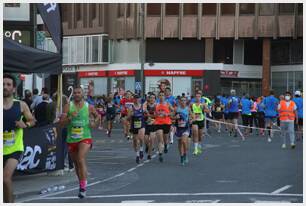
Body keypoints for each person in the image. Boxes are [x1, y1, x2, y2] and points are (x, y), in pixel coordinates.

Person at [59, 85, 100, 199]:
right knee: (76, 163)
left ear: (83, 94)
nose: (76, 94)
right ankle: (81, 183)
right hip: (71, 138)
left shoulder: (89, 107)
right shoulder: (68, 106)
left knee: (81, 158)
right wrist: (70, 118)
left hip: (85, 137)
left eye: (79, 93)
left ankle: (83, 187)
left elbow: (98, 117)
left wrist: (94, 123)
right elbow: (61, 123)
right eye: (75, 93)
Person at [3, 74, 35, 203]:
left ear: (14, 89)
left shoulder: (21, 105)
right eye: (3, 84)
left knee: (5, 178)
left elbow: (32, 121)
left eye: (8, 84)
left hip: (15, 148)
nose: (4, 87)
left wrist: (25, 124)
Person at [154, 91, 174, 162]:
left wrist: (167, 114)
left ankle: (165, 146)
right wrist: (156, 114)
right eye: (160, 95)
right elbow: (153, 113)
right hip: (158, 123)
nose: (161, 97)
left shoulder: (168, 104)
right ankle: (160, 154)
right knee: (160, 139)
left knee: (165, 139)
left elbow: (173, 111)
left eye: (163, 95)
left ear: (165, 97)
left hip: (166, 123)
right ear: (158, 96)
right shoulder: (156, 104)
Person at [128, 95, 146, 164]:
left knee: (141, 138)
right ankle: (137, 154)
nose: (136, 100)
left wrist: (149, 118)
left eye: (137, 98)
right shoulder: (131, 108)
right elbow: (128, 118)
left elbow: (147, 114)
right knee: (135, 141)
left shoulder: (142, 107)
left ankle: (141, 149)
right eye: (135, 99)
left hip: (142, 124)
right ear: (133, 100)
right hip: (134, 125)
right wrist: (131, 115)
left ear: (140, 99)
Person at [173, 96, 190, 166]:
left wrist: (192, 119)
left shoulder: (188, 109)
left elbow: (193, 116)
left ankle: (185, 153)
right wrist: (175, 117)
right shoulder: (177, 109)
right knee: (180, 144)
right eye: (182, 100)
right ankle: (182, 156)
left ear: (186, 101)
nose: (183, 102)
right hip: (178, 128)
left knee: (184, 141)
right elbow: (172, 117)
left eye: (184, 100)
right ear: (179, 101)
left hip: (186, 128)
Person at [143, 93, 157, 160]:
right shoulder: (145, 104)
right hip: (146, 124)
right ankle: (147, 146)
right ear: (149, 98)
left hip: (153, 124)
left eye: (153, 98)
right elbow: (143, 110)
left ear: (155, 99)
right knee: (145, 139)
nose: (152, 99)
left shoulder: (157, 105)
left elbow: (157, 115)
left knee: (151, 139)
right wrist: (147, 114)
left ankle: (149, 154)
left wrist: (151, 117)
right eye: (150, 97)